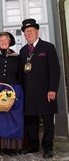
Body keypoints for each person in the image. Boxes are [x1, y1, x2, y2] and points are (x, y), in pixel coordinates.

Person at [19, 18, 60, 159]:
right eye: (26, 32)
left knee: (48, 121)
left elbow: (55, 70)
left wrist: (52, 89)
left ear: (37, 31)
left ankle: (48, 147)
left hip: (45, 92)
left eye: (30, 31)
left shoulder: (48, 47)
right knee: (31, 120)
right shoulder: (23, 51)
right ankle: (33, 145)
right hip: (29, 92)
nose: (28, 34)